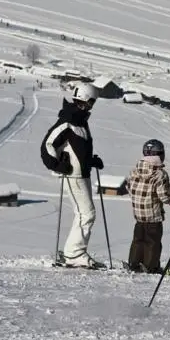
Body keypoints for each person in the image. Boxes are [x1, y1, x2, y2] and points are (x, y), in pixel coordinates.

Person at [40, 83, 105, 269]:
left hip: (81, 174)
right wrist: (58, 166)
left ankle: (73, 252)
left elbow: (78, 150)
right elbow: (47, 145)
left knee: (84, 213)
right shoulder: (68, 121)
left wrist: (91, 161)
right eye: (91, 101)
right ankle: (74, 254)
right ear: (85, 99)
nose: (92, 105)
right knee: (87, 213)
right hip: (73, 176)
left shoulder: (81, 121)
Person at [126, 139, 170, 274]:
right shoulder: (159, 174)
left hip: (139, 214)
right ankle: (151, 266)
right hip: (153, 215)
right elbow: (163, 196)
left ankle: (134, 264)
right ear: (160, 154)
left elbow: (129, 188)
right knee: (152, 241)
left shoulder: (134, 171)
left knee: (138, 239)